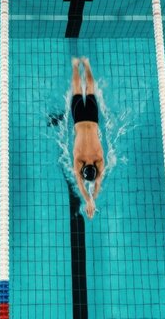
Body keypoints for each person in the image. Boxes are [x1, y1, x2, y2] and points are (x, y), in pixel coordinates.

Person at [70, 57, 104, 219]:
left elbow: (98, 182)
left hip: (92, 118)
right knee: (77, 90)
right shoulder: (79, 159)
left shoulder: (99, 159)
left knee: (90, 89)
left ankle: (87, 64)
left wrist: (92, 200)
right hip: (78, 119)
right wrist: (89, 200)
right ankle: (76, 65)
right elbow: (81, 182)